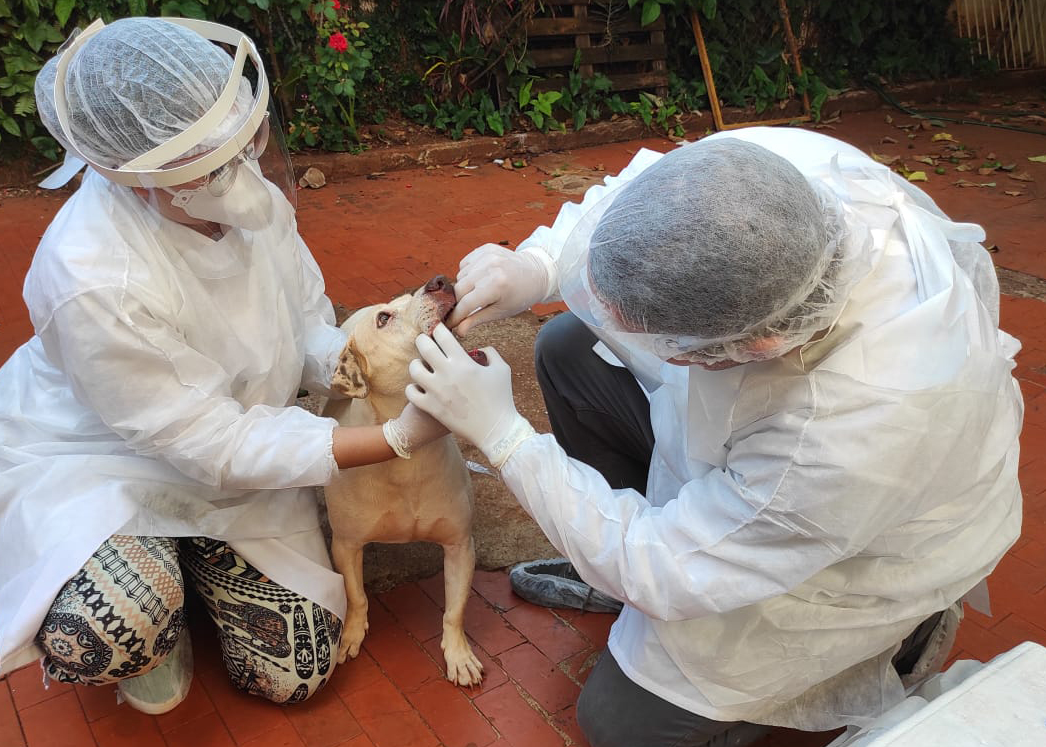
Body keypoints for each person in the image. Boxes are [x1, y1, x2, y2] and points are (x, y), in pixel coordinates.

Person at [407, 127, 1023, 747]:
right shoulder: (776, 175)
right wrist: (539, 263)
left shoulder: (846, 433)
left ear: (754, 347)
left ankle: (904, 641)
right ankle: (616, 560)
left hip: (858, 558)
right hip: (777, 466)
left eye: (665, 342)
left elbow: (663, 565)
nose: (629, 332)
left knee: (620, 726)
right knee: (571, 345)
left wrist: (504, 435)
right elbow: (646, 202)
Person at [0, 17, 445, 714]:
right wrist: (393, 440)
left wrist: (356, 364)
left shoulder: (243, 200)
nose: (240, 176)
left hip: (242, 452)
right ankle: (155, 624)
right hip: (102, 464)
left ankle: (203, 559)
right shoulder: (93, 275)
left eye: (241, 146)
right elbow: (211, 442)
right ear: (136, 175)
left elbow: (303, 315)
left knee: (293, 673)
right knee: (111, 627)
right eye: (209, 163)